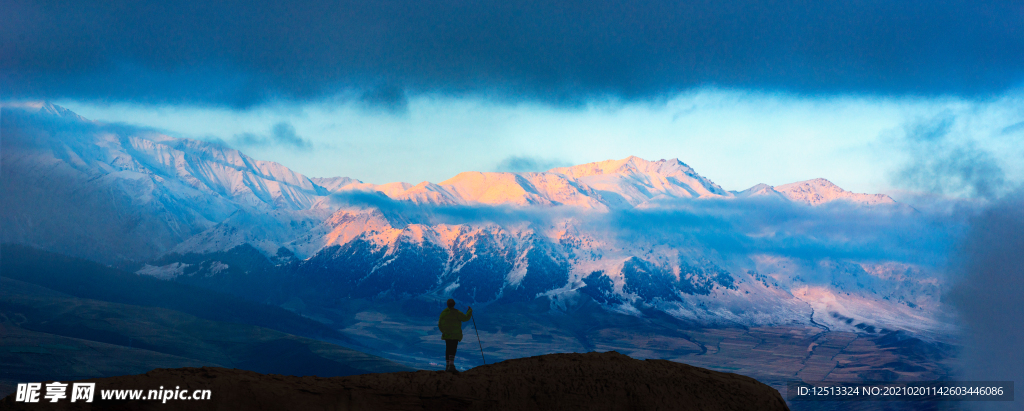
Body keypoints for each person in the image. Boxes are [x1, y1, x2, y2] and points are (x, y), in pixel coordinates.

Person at [437, 298, 472, 373]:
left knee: (448, 349)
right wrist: (469, 311)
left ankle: (447, 366)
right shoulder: (457, 313)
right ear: (454, 304)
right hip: (455, 335)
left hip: (447, 335)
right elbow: (465, 318)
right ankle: (451, 366)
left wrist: (444, 331)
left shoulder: (443, 313)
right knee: (453, 349)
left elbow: (440, 324)